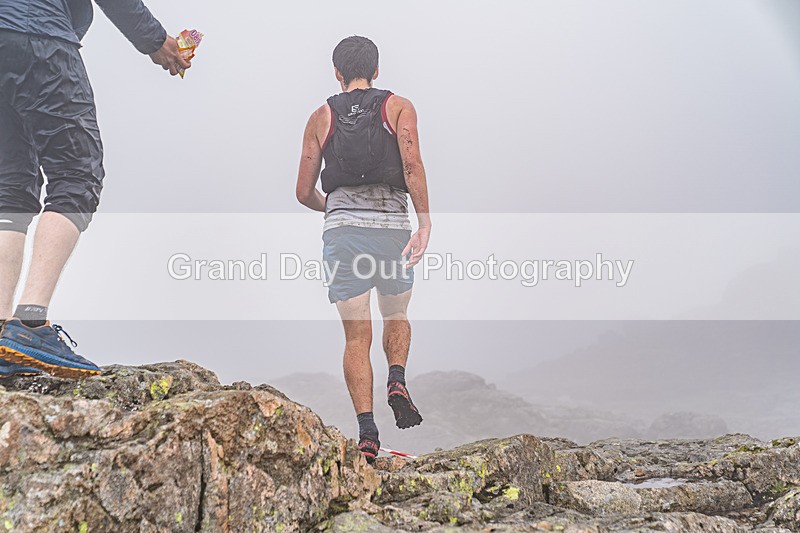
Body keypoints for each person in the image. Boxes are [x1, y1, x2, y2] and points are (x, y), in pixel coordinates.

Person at [0, 0, 190, 379]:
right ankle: (31, 325)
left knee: (11, 189)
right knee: (76, 176)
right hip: (38, 36)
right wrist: (157, 41)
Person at [295, 35, 432, 463]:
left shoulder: (320, 117)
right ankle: (396, 379)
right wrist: (424, 221)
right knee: (396, 314)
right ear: (376, 69)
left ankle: (368, 433)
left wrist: (332, 209)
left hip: (343, 232)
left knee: (356, 337)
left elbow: (303, 192)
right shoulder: (398, 107)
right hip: (391, 227)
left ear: (337, 72)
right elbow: (411, 163)